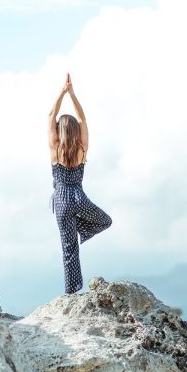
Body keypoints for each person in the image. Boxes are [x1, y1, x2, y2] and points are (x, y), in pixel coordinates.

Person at [48, 73, 112, 294]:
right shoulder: (82, 148)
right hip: (79, 197)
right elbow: (83, 119)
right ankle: (80, 230)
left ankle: (71, 291)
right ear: (75, 131)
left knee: (69, 249)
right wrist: (72, 94)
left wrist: (61, 93)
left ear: (59, 130)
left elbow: (50, 115)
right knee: (105, 221)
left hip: (61, 201)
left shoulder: (55, 148)